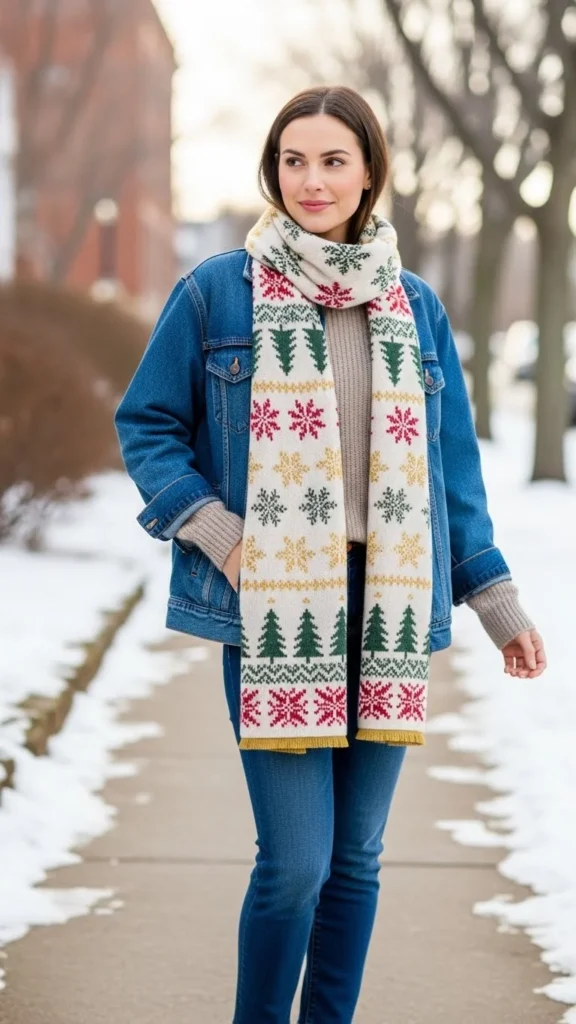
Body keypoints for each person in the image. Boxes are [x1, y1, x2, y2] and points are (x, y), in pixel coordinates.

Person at [114, 85, 547, 1023]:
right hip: (272, 603)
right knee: (297, 861)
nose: (312, 180)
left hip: (387, 600)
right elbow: (146, 423)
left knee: (356, 860)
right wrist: (215, 532)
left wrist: (496, 603)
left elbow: (452, 475)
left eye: (334, 160)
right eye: (294, 161)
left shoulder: (415, 306)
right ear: (272, 170)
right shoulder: (217, 291)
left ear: (369, 173)